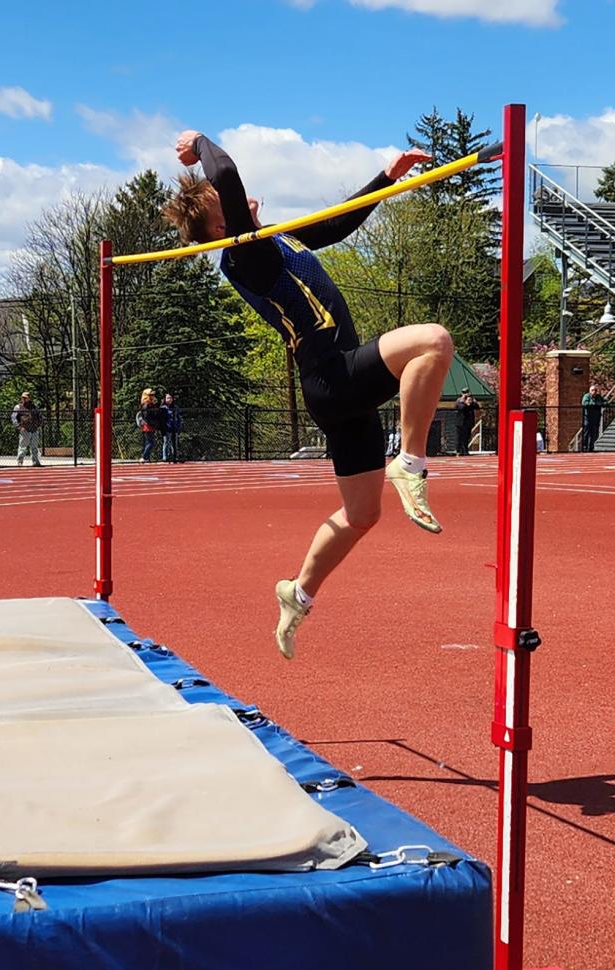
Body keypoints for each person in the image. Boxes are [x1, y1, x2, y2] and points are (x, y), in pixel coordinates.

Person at [164, 130, 454, 661]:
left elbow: (337, 222)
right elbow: (225, 175)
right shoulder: (244, 254)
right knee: (432, 341)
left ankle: (297, 594)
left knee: (362, 515)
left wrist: (387, 178)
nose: (245, 192)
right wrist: (200, 143)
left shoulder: (275, 238)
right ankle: (409, 462)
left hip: (334, 389)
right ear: (223, 222)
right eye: (227, 201)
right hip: (333, 374)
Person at [11, 391, 44, 466]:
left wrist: (39, 424)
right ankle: (20, 461)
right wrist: (19, 427)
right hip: (24, 430)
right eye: (23, 398)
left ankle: (35, 462)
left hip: (34, 430)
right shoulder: (18, 407)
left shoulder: (34, 407)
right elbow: (14, 418)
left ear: (29, 398)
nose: (24, 399)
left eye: (25, 398)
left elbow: (40, 416)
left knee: (34, 447)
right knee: (22, 447)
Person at [136, 387, 165, 462]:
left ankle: (147, 457)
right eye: (151, 395)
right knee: (150, 442)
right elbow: (147, 416)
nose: (153, 396)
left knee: (148, 442)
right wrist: (153, 423)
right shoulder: (146, 405)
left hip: (150, 425)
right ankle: (144, 457)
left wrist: (157, 405)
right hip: (148, 425)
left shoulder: (151, 404)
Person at [581, 383, 606, 453]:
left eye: (595, 390)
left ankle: (591, 447)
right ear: (590, 391)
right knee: (586, 433)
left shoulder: (599, 397)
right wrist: (595, 404)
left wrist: (600, 403)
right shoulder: (587, 396)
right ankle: (584, 447)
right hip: (588, 419)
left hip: (596, 419)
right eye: (592, 390)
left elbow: (606, 402)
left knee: (594, 434)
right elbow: (585, 403)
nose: (594, 392)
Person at [453, 389, 479, 456]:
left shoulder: (471, 401)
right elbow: (460, 407)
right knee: (459, 438)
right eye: (464, 393)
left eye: (467, 392)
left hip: (468, 423)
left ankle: (465, 451)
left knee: (466, 438)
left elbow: (477, 406)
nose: (466, 394)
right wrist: (465, 402)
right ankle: (458, 451)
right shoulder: (459, 400)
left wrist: (472, 401)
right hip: (460, 423)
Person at [162, 392, 182, 462]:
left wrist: (179, 425)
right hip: (166, 428)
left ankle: (175, 456)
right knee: (166, 442)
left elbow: (179, 417)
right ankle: (165, 457)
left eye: (170, 398)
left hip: (174, 427)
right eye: (168, 398)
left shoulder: (175, 407)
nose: (169, 399)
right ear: (165, 399)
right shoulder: (163, 408)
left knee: (175, 443)